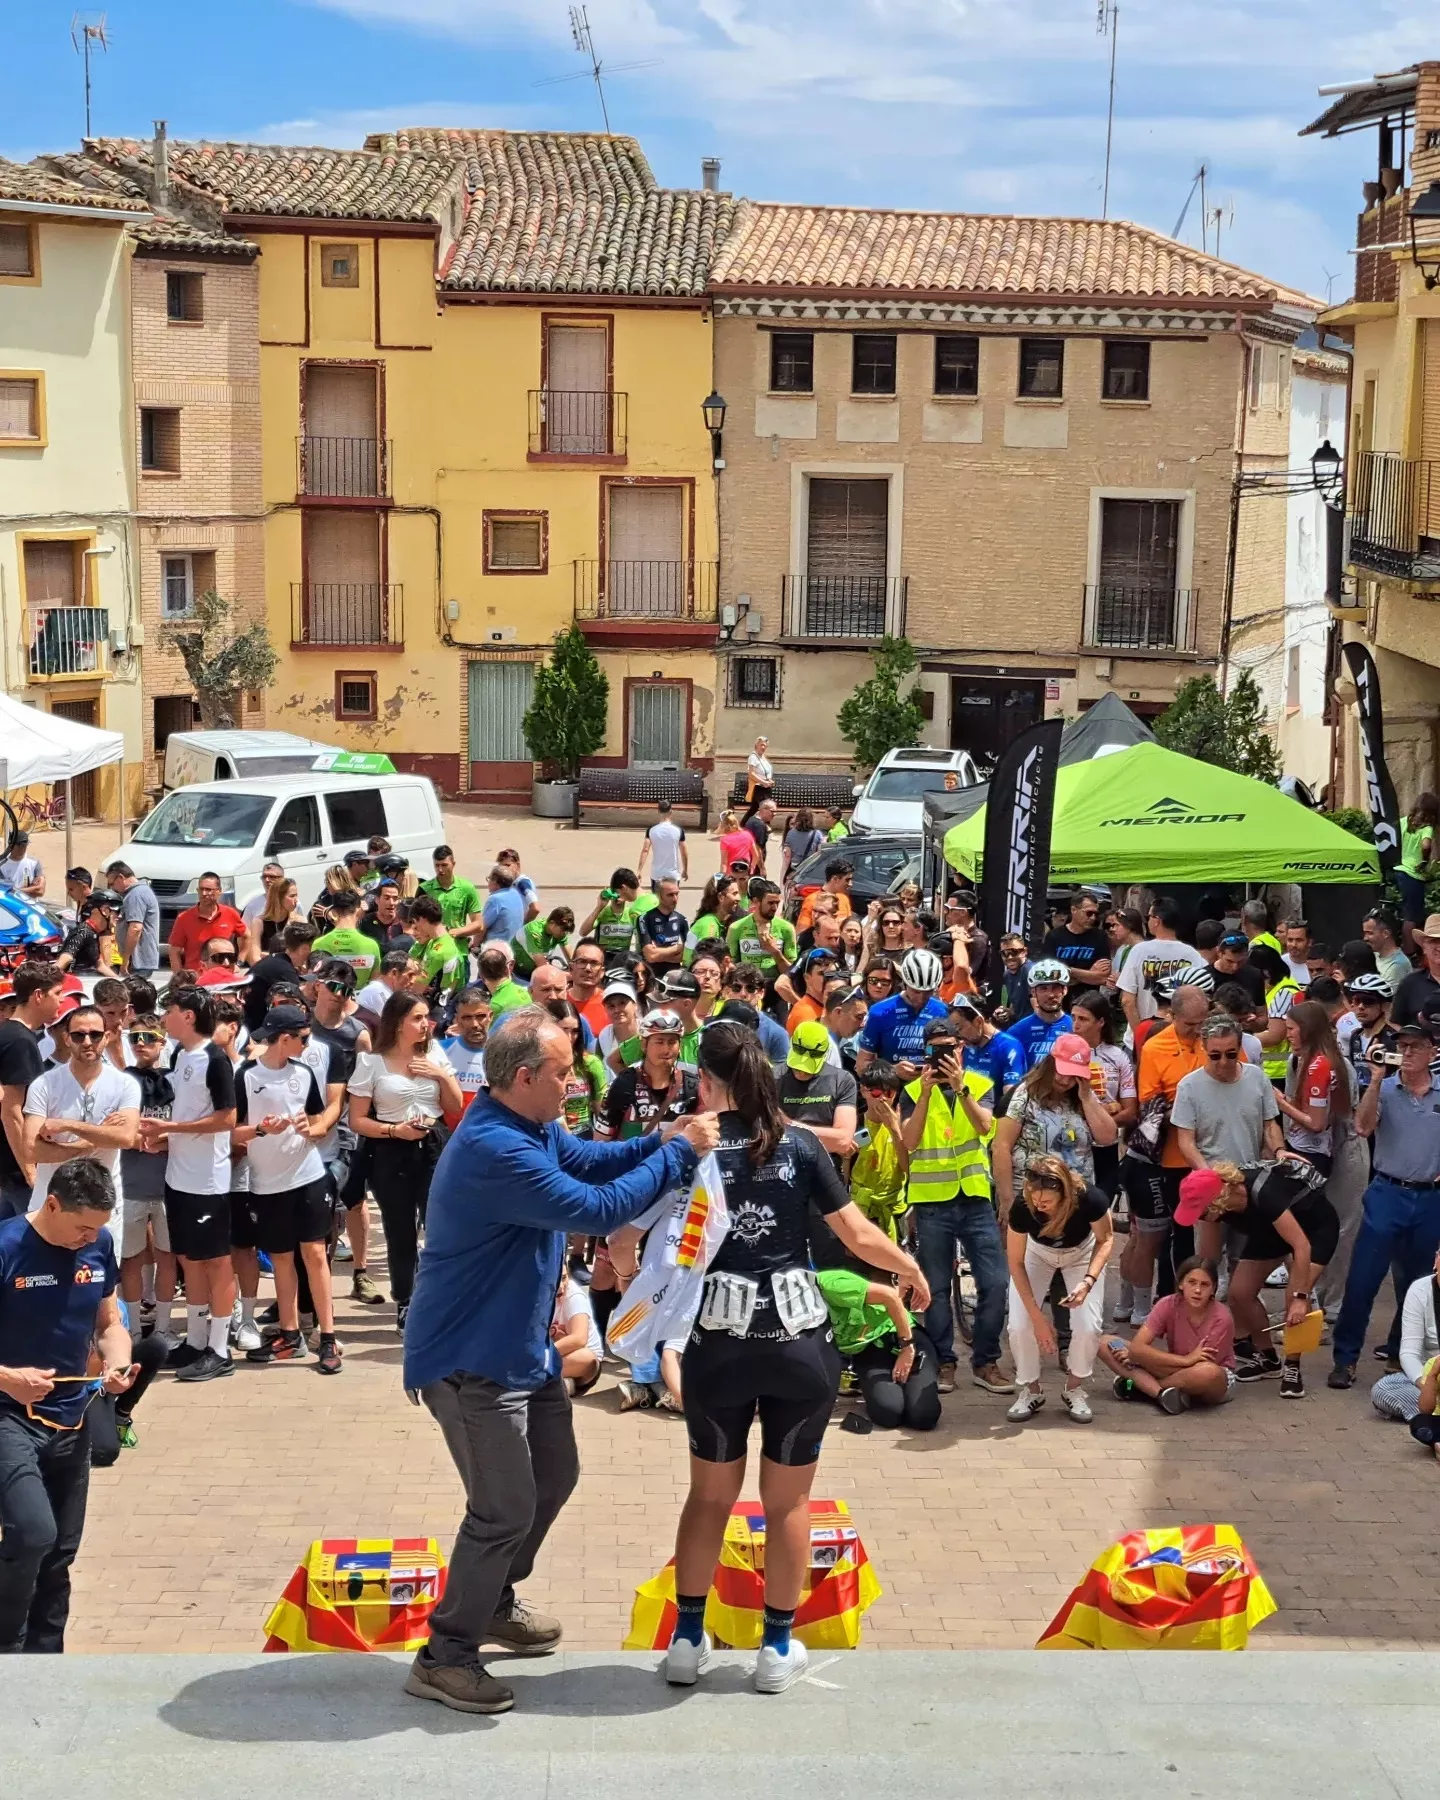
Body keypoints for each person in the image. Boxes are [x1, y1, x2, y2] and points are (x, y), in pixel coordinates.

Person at [401, 1006, 718, 1715]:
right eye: (563, 1073)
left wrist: (658, 1137)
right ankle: (445, 1654)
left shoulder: (530, 1124)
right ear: (523, 1077)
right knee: (502, 1506)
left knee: (556, 1474)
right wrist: (677, 1154)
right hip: (470, 1357)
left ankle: (492, 1600)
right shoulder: (495, 1147)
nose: (574, 1084)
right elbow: (597, 1210)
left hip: (521, 1346)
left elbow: (591, 1160)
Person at [658, 1021, 927, 1694]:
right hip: (796, 1339)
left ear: (709, 1082)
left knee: (709, 1497)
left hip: (717, 1342)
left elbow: (637, 1233)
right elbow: (859, 1233)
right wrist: (909, 1268)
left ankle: (688, 1643)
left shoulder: (693, 1147)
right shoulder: (802, 1147)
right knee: (787, 1504)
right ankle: (777, 1649)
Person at [0, 1158, 138, 1652]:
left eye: (97, 1229)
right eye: (82, 1226)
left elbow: (108, 1323)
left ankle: (48, 1659)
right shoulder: (7, 1248)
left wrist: (117, 1361)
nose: (89, 1237)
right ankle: (8, 1654)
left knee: (60, 1550)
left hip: (71, 1416)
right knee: (32, 1533)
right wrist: (8, 1379)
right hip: (8, 1414)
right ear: (52, 1204)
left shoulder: (98, 1245)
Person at [898, 1016, 1011, 1397]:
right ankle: (944, 1360)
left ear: (961, 1049)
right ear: (926, 1053)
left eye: (950, 1048)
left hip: (975, 1198)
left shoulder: (978, 1084)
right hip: (931, 1204)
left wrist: (961, 1089)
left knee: (995, 1282)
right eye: (936, 1050)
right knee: (936, 1288)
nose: (944, 1056)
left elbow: (985, 1128)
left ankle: (985, 1360)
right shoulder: (913, 1091)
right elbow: (909, 1142)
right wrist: (927, 1094)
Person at [1330, 1020, 1440, 1390]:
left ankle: (1400, 1353)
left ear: (1431, 1052)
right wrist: (1376, 1079)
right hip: (1387, 1192)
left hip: (1429, 1198)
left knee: (1418, 1282)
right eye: (1402, 1046)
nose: (1406, 1053)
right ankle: (1345, 1359)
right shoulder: (1387, 1090)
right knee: (1363, 1279)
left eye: (1414, 1047)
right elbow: (1362, 1127)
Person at [230, 1005, 340, 1373]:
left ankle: (327, 1337)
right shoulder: (245, 1076)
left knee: (314, 1253)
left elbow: (316, 1117)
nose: (307, 1044)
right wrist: (262, 1129)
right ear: (285, 1038)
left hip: (307, 1175)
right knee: (279, 1258)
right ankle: (290, 1335)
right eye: (303, 1037)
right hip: (266, 1182)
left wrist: (311, 1126)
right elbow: (232, 1131)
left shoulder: (304, 1073)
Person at [349, 991, 462, 1330]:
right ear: (397, 1023)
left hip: (433, 1146)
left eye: (427, 1017)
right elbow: (357, 1120)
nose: (426, 1024)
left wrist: (440, 1075)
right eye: (417, 1017)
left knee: (439, 1226)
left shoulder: (434, 1053)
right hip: (390, 1150)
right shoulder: (371, 1062)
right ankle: (406, 1299)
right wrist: (395, 1130)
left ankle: (439, 1297)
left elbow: (454, 1105)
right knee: (400, 1231)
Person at [1176, 1161, 1334, 1397]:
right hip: (1269, 1231)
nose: (1201, 1218)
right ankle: (1268, 1358)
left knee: (1294, 1294)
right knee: (1239, 1293)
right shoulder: (1217, 1208)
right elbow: (1207, 1258)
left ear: (1217, 1200)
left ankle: (1293, 1366)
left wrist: (1302, 1297)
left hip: (1313, 1230)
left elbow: (1301, 1246)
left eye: (1201, 1211)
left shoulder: (1265, 1193)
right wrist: (1194, 1293)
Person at [145, 986, 238, 1384]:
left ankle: (220, 1349)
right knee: (190, 1260)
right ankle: (197, 1340)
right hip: (178, 1177)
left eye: (169, 1010)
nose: (164, 1017)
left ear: (187, 1015)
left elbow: (228, 1119)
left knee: (217, 1263)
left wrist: (173, 1128)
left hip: (208, 1181)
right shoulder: (181, 1055)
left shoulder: (216, 1060)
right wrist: (165, 1137)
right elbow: (187, 1114)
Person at [1003, 1154, 1114, 1424]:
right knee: (1019, 1324)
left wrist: (1088, 1282)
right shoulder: (1022, 1207)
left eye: (1047, 1202)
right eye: (1034, 1200)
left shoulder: (1089, 1198)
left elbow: (1106, 1238)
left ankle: (1074, 1387)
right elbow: (1015, 1263)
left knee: (1088, 1325)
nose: (1039, 1207)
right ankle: (1031, 1389)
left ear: (1065, 1194)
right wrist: (1039, 1320)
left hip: (1082, 1252)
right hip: (1037, 1253)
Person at [22, 1002, 139, 1212]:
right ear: (67, 1038)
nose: (87, 1042)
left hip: (103, 1208)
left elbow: (126, 1138)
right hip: (51, 1207)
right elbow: (31, 1150)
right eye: (79, 1035)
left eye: (95, 1035)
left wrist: (67, 1125)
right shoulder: (44, 1085)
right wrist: (92, 1141)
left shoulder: (125, 1084)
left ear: (107, 1037)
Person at [1101, 1256, 1236, 1413]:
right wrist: (1185, 1360)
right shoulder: (1167, 1304)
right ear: (1181, 1284)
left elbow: (1202, 1365)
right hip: (1176, 1364)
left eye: (1204, 1285)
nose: (1197, 1290)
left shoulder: (1222, 1317)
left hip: (1208, 1377)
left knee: (1207, 1372)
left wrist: (1142, 1359)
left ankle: (1145, 1389)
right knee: (1105, 1343)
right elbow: (1138, 1347)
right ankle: (1162, 1394)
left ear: (1213, 1289)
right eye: (1191, 1282)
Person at [818, 1262, 939, 1431]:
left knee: (923, 1416)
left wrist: (907, 1347)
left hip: (904, 1338)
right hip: (870, 1349)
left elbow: (890, 1297)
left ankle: (917, 1380)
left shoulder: (829, 1284)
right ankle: (888, 1387)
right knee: (888, 1413)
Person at [117, 1014, 177, 1345]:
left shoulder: (176, 1080)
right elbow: (115, 1126)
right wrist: (134, 1137)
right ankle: (134, 1331)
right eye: (135, 1037)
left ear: (163, 1041)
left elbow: (187, 1126)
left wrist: (163, 1140)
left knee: (168, 1256)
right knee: (132, 1258)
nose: (141, 1044)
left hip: (170, 1185)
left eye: (149, 1037)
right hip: (131, 1184)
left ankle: (165, 1326)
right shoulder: (123, 1081)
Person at [0, 964, 65, 1219]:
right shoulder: (20, 1042)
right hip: (18, 1172)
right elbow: (11, 1112)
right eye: (57, 993)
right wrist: (30, 1170)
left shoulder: (9, 1034)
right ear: (39, 995)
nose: (61, 1000)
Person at [1069, 992, 1137, 1203]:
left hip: (1106, 1146)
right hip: (1071, 1145)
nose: (1075, 1025)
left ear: (1100, 1022)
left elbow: (1130, 1112)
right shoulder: (1063, 1052)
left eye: (1083, 1019)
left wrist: (1102, 1124)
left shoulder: (1118, 1056)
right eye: (1073, 1018)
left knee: (1102, 1203)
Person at [1274, 999, 1351, 1176]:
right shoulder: (1310, 1061)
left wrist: (1281, 1104)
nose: (1287, 1036)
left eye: (1291, 1029)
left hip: (1311, 1153)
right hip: (1307, 1148)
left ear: (1307, 1030)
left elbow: (1316, 1124)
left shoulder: (1319, 1065)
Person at [856, 947, 949, 1080]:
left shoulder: (942, 1011)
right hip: (891, 1090)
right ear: (905, 983)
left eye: (928, 992)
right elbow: (861, 1066)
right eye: (916, 991)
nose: (921, 998)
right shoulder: (880, 1012)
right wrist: (893, 1070)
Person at [1116, 897, 1207, 1031]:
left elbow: (1127, 1001)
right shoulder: (1192, 955)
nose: (1148, 921)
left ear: (1157, 921)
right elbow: (1203, 996)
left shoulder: (1139, 951)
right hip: (1179, 1036)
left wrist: (1139, 1035)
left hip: (1144, 1032)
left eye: (1149, 917)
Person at [1370, 1252, 1440, 1426]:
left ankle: (1428, 1423)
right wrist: (1427, 1386)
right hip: (1430, 1376)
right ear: (1436, 1260)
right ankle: (1430, 1417)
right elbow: (1409, 1353)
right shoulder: (1420, 1290)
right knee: (1384, 1388)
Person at [1001, 959, 1073, 1071]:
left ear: (1064, 990)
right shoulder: (1016, 1032)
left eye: (1055, 988)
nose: (1050, 995)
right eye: (1043, 989)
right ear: (1033, 992)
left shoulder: (1076, 1028)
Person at [245, 921, 318, 1032]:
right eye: (313, 947)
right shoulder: (284, 970)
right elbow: (298, 1009)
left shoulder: (278, 960)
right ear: (304, 948)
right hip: (256, 1028)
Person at [167, 872, 245, 975]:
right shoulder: (184, 918)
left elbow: (246, 936)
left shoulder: (230, 914)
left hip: (222, 977)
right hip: (196, 979)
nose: (204, 894)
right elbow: (174, 951)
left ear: (219, 891)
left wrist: (239, 962)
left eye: (208, 890)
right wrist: (180, 978)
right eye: (201, 889)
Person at [440, 985, 491, 1123]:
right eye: (467, 1018)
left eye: (480, 1016)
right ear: (457, 1020)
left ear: (490, 1016)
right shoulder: (440, 1051)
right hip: (449, 1137)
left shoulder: (505, 1053)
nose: (475, 1024)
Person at [408, 894, 467, 1014]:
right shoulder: (438, 941)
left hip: (441, 1008)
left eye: (415, 923)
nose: (416, 928)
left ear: (422, 919)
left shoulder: (438, 951)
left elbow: (417, 989)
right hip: (444, 1003)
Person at [1043, 890, 1112, 989]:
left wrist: (1068, 970)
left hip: (1088, 998)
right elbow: (1049, 974)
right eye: (1089, 913)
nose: (1093, 918)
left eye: (1096, 914)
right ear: (1074, 910)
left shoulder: (1100, 936)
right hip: (1059, 997)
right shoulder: (1054, 936)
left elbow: (1102, 978)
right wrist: (1089, 974)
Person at [312, 889, 382, 986]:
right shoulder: (372, 945)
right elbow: (375, 983)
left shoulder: (318, 944)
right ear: (358, 911)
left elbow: (316, 981)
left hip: (329, 998)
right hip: (359, 1000)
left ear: (334, 912)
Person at [104, 863, 161, 976]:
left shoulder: (136, 894)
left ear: (120, 877)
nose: (112, 888)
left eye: (112, 884)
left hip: (138, 962)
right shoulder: (137, 892)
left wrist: (125, 961)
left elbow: (135, 928)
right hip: (138, 962)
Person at [421, 846, 484, 942]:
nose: (440, 870)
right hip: (432, 948)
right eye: (437, 865)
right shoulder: (424, 889)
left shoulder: (466, 888)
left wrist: (457, 932)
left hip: (458, 949)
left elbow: (478, 924)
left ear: (453, 864)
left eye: (444, 865)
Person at [581, 870, 642, 967]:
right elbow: (583, 932)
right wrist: (599, 907)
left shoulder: (631, 914)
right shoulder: (603, 913)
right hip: (604, 960)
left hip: (622, 960)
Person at [1397, 792, 1438, 931]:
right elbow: (1426, 845)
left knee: (1405, 911)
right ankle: (1410, 950)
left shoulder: (1402, 822)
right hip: (1413, 874)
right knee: (1412, 916)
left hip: (1399, 870)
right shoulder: (1426, 828)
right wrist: (1424, 861)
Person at [1391, 913, 1440, 1027]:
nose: (1439, 946)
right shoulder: (1410, 983)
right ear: (1423, 948)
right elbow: (1396, 1024)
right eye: (1433, 941)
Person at [245, 873, 301, 964]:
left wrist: (271, 957)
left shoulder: (299, 921)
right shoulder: (259, 922)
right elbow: (254, 958)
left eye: (296, 895)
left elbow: (303, 956)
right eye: (292, 896)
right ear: (278, 898)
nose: (296, 900)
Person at [56, 892, 115, 976]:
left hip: (89, 980)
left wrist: (119, 980)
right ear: (105, 911)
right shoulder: (83, 931)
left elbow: (99, 965)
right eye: (117, 911)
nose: (119, 916)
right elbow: (67, 957)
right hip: (79, 982)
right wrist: (45, 980)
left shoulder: (94, 932)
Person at [636, 878, 688, 972]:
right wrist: (678, 948)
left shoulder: (681, 919)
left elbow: (686, 956)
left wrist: (658, 953)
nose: (675, 899)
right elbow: (650, 956)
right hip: (651, 976)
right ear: (659, 896)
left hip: (673, 976)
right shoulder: (645, 919)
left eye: (677, 894)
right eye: (670, 895)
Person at [637, 799, 689, 891]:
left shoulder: (651, 830)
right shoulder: (678, 831)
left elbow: (645, 850)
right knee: (671, 902)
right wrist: (685, 870)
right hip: (673, 874)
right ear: (671, 812)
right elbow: (684, 852)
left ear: (658, 811)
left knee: (656, 901)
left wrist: (639, 870)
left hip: (656, 874)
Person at [795, 860, 853, 936]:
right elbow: (801, 933)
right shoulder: (812, 900)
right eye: (847, 880)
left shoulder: (844, 899)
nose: (850, 884)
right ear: (835, 879)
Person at [1363, 906, 1413, 994]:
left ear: (1386, 934)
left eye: (1370, 933)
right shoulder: (1375, 955)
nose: (1365, 938)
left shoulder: (1397, 965)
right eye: (1365, 933)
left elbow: (1387, 1003)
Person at [481, 863, 527, 948]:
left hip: (497, 950)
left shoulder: (494, 899)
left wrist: (474, 945)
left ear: (495, 882)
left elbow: (481, 927)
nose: (488, 883)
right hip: (514, 948)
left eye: (489, 879)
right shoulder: (515, 894)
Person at [741, 735, 774, 824]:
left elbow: (766, 772)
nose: (763, 747)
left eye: (765, 745)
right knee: (767, 808)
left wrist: (769, 780)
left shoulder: (763, 758)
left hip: (766, 787)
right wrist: (763, 782)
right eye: (761, 745)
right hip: (759, 788)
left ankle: (742, 825)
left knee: (754, 809)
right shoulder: (753, 757)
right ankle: (767, 829)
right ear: (756, 745)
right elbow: (751, 774)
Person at [744, 798, 778, 876]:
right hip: (755, 865)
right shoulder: (759, 825)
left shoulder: (752, 820)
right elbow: (758, 848)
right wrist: (762, 868)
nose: (774, 814)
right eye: (772, 811)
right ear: (764, 809)